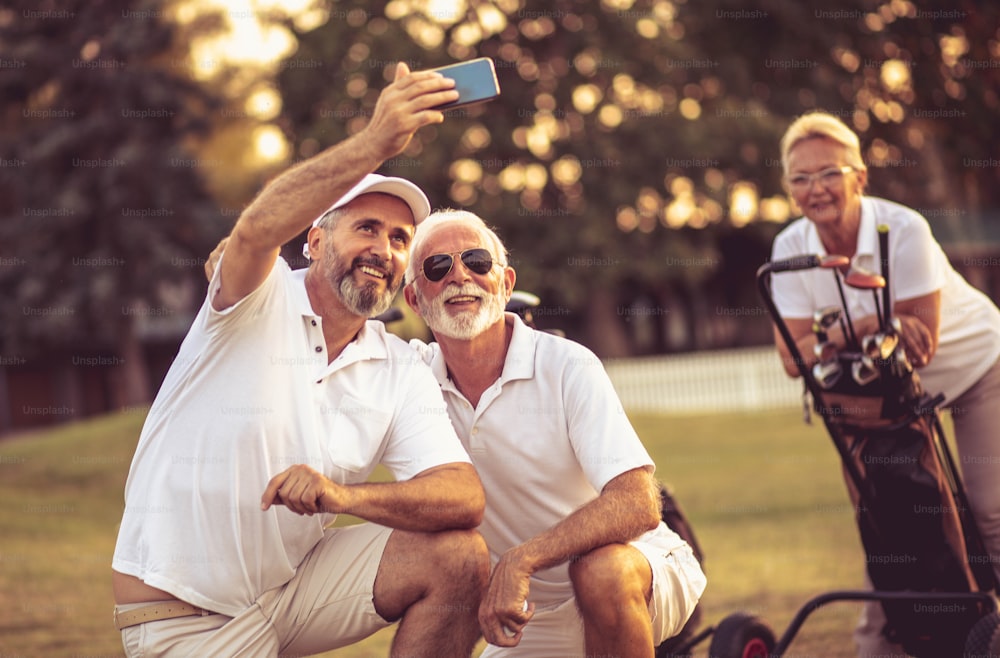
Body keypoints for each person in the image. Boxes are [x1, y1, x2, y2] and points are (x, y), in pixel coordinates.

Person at [111, 63, 491, 657]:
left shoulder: (397, 366)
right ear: (314, 241)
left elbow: (463, 495)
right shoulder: (255, 298)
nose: (383, 250)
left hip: (290, 593)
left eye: (399, 240)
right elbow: (257, 230)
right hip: (181, 616)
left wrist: (345, 498)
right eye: (366, 227)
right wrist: (374, 143)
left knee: (460, 554)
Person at [402, 209, 707, 657]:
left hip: (633, 568)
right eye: (437, 267)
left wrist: (523, 558)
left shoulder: (568, 364)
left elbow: (639, 501)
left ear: (505, 283)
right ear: (413, 299)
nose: (459, 276)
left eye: (477, 262)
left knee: (600, 571)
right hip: (532, 612)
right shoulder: (408, 380)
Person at [768, 110, 1000, 657]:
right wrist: (869, 329)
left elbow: (921, 341)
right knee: (891, 523)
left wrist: (843, 337)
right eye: (800, 179)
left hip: (973, 370)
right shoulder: (790, 249)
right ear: (788, 188)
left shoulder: (903, 229)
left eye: (828, 173)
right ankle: (882, 643)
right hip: (889, 401)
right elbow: (790, 357)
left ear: (859, 176)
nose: (815, 189)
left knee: (990, 511)